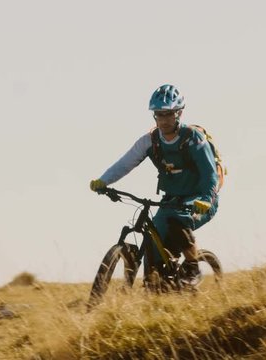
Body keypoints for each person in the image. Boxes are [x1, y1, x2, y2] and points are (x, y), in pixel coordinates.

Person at [89, 84, 220, 287]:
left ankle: (193, 267)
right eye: (159, 114)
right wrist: (104, 181)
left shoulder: (193, 139)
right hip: (171, 201)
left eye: (168, 114)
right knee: (154, 239)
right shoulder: (150, 141)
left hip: (199, 200)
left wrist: (204, 199)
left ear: (179, 113)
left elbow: (210, 175)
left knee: (178, 224)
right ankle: (156, 285)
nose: (163, 120)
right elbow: (125, 163)